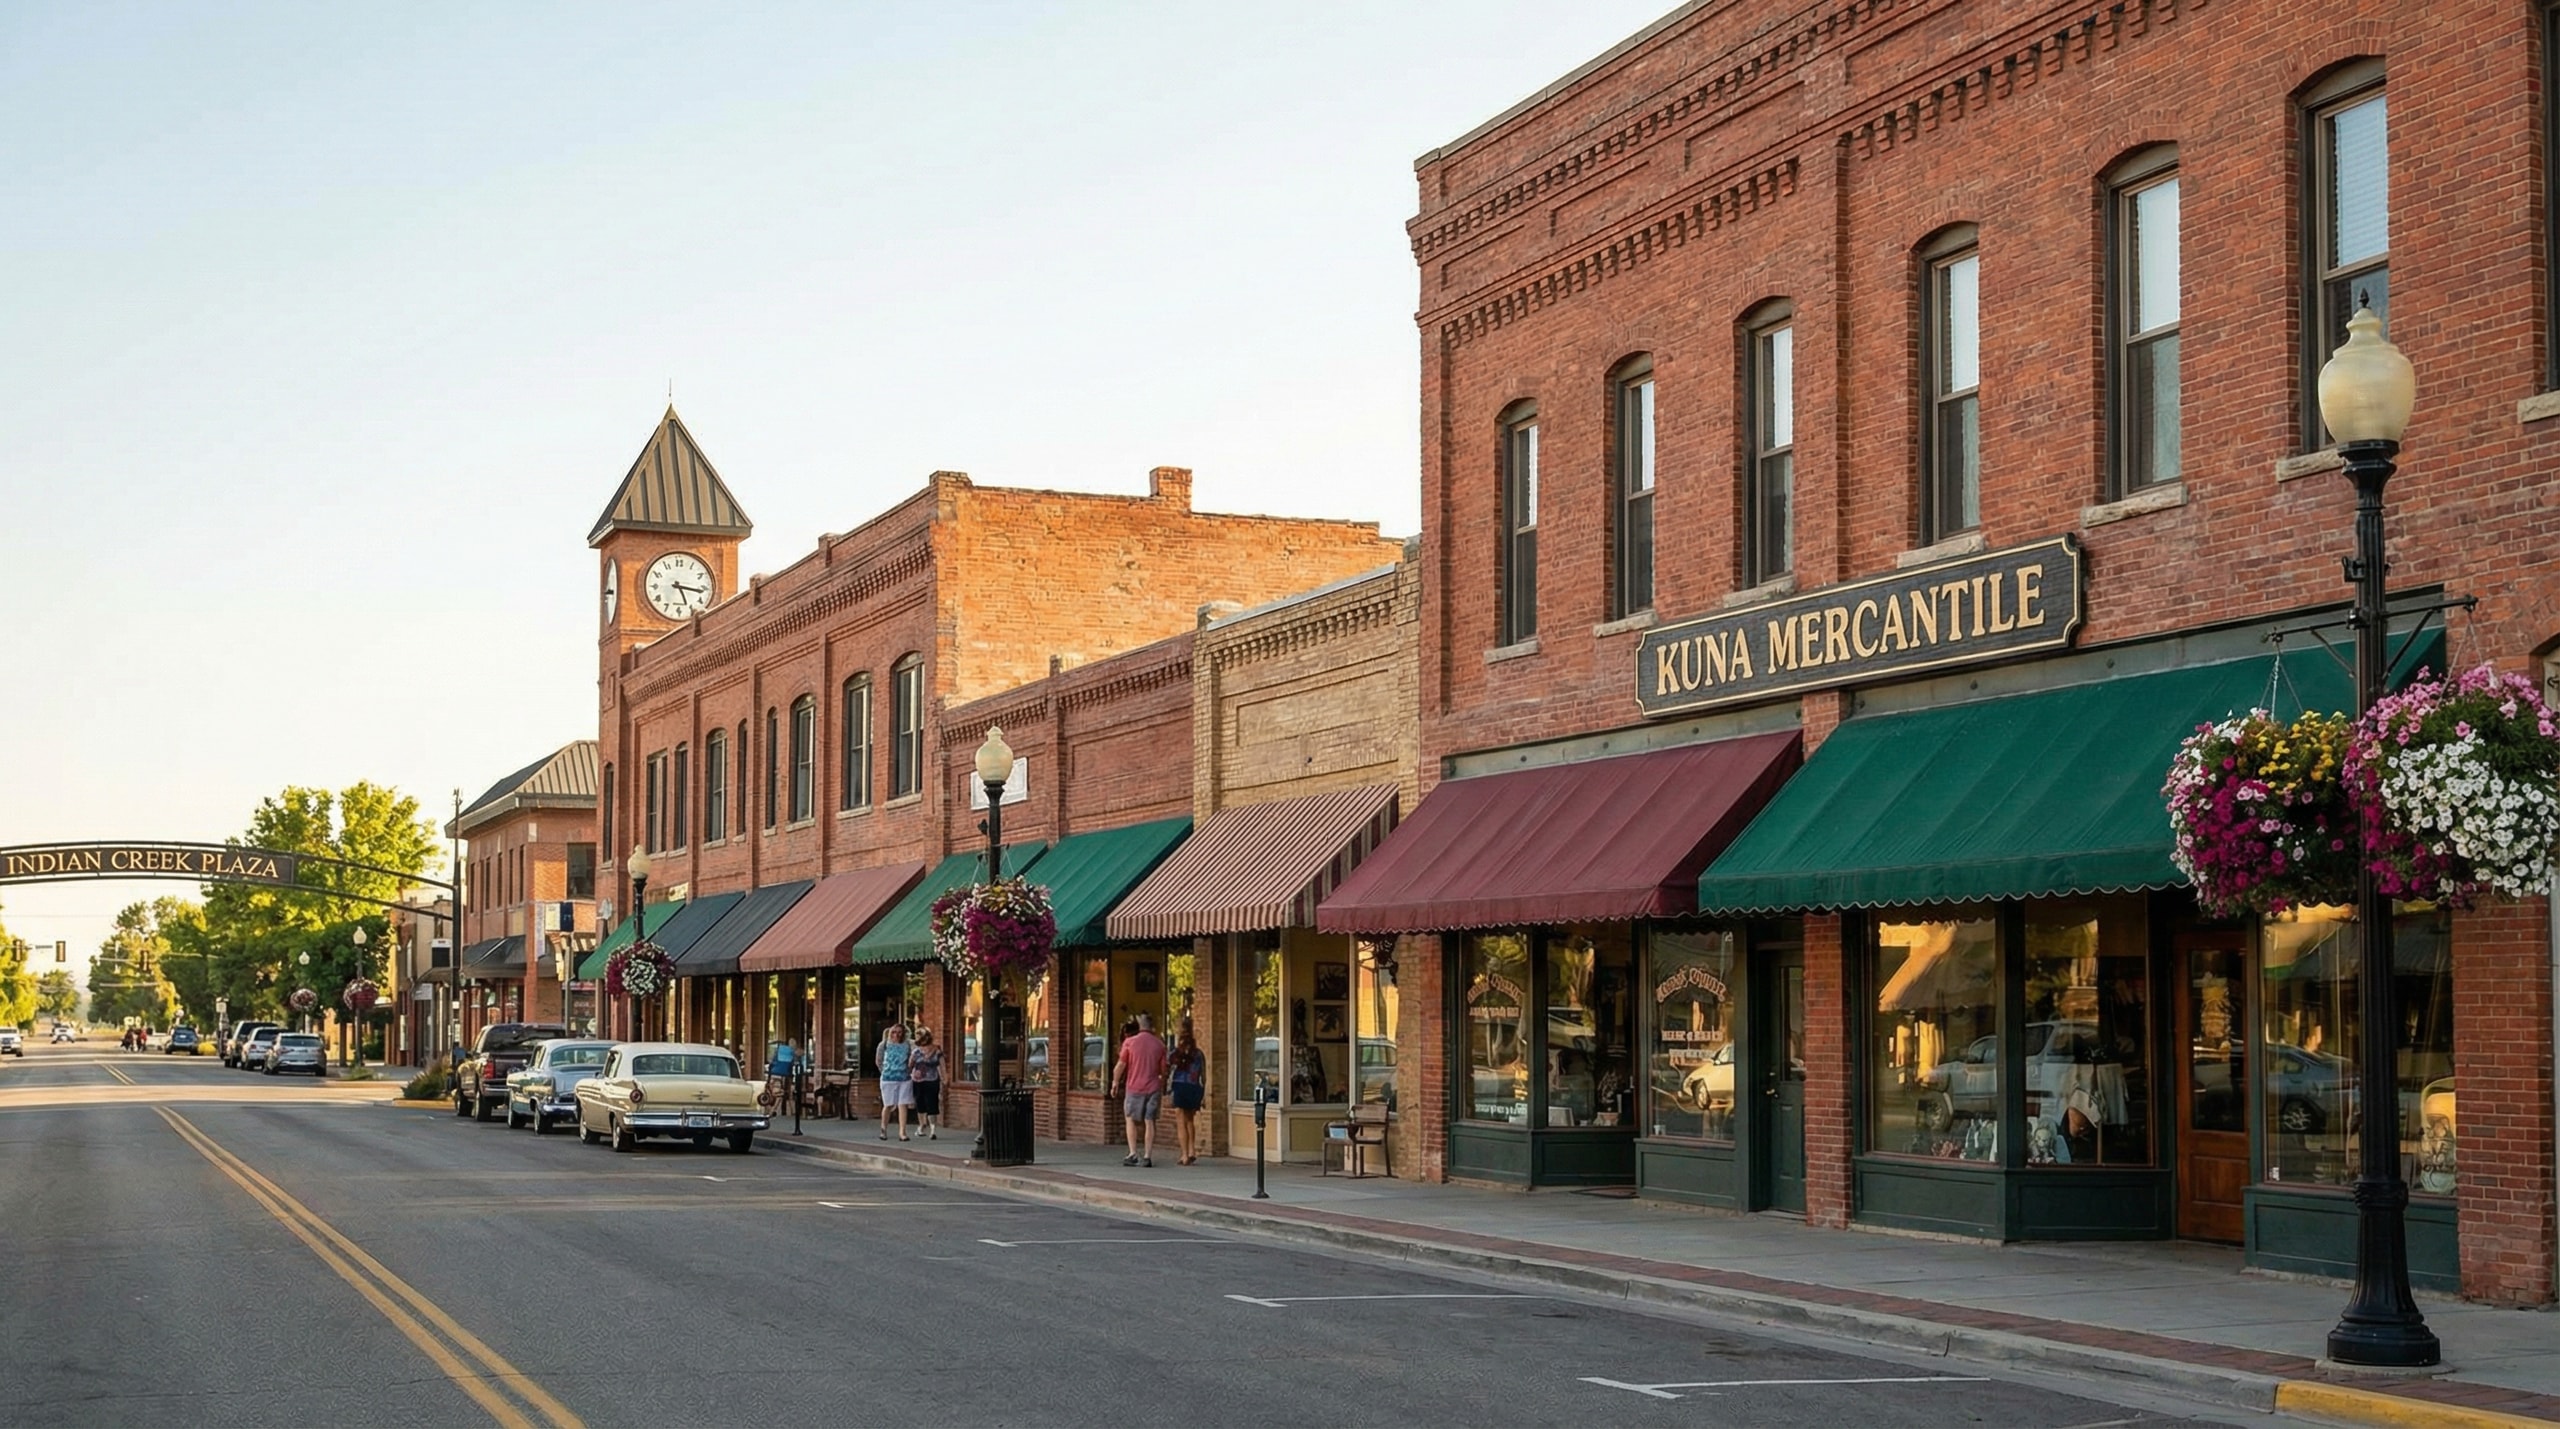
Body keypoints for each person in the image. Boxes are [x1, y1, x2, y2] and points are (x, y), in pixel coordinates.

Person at [1110, 1012, 1168, 1168]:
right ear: (1152, 1027)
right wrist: (1162, 1084)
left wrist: (1115, 1082)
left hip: (1134, 1087)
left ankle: (1133, 1153)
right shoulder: (1159, 1045)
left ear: (1140, 1026)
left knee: (1130, 1118)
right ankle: (1148, 1156)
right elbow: (1163, 1070)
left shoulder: (1130, 1043)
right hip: (1153, 1087)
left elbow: (1121, 1065)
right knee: (1150, 1121)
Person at [1166, 1016, 1207, 1166]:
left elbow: (1167, 1071)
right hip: (1194, 1087)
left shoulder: (1175, 1054)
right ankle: (1192, 1150)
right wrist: (1203, 1094)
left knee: (1180, 1121)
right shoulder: (1199, 1054)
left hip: (1180, 1086)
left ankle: (1184, 1154)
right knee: (1190, 1119)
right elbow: (1204, 1076)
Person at [876, 1023, 914, 1141]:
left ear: (903, 1033)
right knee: (888, 1105)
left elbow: (912, 1058)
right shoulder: (884, 1045)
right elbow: (878, 1060)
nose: (896, 1035)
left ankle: (902, 1132)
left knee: (903, 1104)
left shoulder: (908, 1044)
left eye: (899, 1032)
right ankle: (883, 1129)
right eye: (893, 1032)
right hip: (888, 1078)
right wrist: (885, 1071)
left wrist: (909, 1070)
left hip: (904, 1078)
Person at [908, 1029, 943, 1140]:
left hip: (919, 1080)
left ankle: (923, 1126)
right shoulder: (937, 1051)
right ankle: (932, 1130)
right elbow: (942, 1067)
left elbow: (910, 1065)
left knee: (921, 1104)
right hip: (931, 1080)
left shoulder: (916, 1051)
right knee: (931, 1104)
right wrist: (944, 1079)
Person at [763, 1038, 799, 1113]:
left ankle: (769, 1109)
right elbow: (794, 1063)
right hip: (783, 1075)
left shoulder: (779, 1050)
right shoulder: (792, 1053)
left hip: (774, 1073)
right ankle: (773, 1110)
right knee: (780, 1093)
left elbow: (772, 1061)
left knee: (772, 1092)